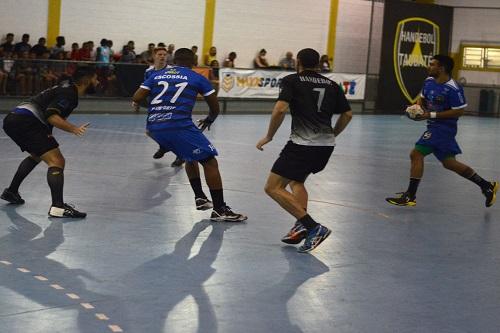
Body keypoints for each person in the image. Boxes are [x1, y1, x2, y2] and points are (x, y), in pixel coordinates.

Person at [132, 48, 247, 221]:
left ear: (173, 60)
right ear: (193, 62)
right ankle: (220, 209)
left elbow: (136, 98)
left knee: (189, 155)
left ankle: (200, 197)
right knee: (210, 161)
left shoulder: (156, 75)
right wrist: (209, 119)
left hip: (154, 127)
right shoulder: (197, 77)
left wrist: (155, 110)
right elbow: (214, 106)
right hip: (178, 125)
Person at [256, 48, 352, 253]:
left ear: (298, 62)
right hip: (325, 146)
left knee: (272, 187)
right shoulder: (332, 84)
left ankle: (313, 227)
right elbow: (348, 115)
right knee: (295, 181)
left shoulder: (292, 80)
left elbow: (280, 109)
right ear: (318, 63)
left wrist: (269, 136)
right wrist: (333, 134)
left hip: (302, 145)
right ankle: (301, 226)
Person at [386, 55, 498, 207]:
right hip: (433, 126)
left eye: (432, 64)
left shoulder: (454, 88)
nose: (429, 67)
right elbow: (422, 99)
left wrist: (431, 114)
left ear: (442, 68)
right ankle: (487, 186)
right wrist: (417, 108)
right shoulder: (429, 82)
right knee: (449, 163)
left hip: (444, 129)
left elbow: (459, 111)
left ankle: (410, 196)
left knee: (416, 153)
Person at [1, 66, 98, 218]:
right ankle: (58, 207)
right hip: (26, 121)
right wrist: (74, 129)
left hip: (13, 119)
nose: (97, 82)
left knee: (37, 155)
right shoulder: (70, 94)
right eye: (95, 79)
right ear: (86, 81)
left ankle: (11, 192)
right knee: (57, 161)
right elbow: (51, 116)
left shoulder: (66, 87)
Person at [133, 47, 185, 167]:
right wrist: (137, 100)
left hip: (170, 107)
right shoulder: (149, 71)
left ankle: (180, 155)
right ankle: (163, 146)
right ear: (154, 56)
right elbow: (145, 88)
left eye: (164, 55)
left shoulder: (173, 71)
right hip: (155, 107)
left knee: (171, 132)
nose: (162, 57)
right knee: (150, 131)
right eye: (160, 54)